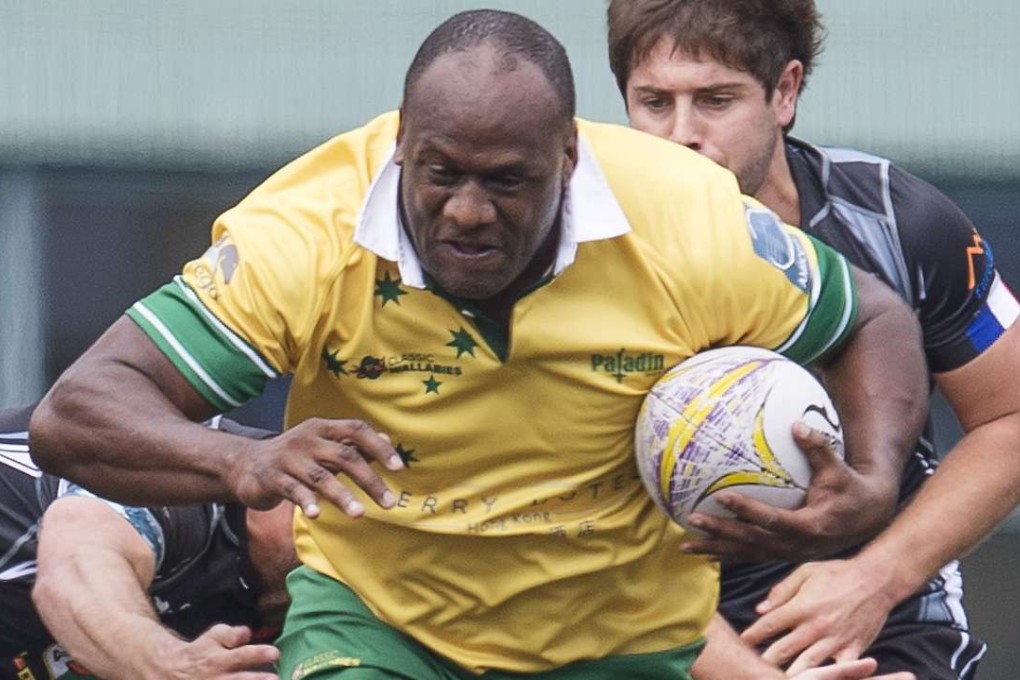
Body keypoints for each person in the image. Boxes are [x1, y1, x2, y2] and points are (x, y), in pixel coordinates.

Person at [29, 9, 927, 680]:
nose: (467, 212)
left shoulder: (685, 217)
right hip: (378, 630)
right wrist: (237, 464)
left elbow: (872, 319)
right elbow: (78, 415)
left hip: (623, 637)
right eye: (441, 174)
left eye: (507, 183)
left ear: (569, 160)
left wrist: (877, 480)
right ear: (400, 149)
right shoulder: (304, 234)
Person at [606, 0, 1020, 677]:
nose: (681, 136)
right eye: (654, 102)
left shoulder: (895, 221)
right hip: (656, 634)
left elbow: (1011, 416)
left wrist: (875, 579)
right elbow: (572, 530)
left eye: (715, 100)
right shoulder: (577, 262)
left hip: (878, 628)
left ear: (786, 91)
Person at [0, 404, 296, 680]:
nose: (338, 565)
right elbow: (75, 568)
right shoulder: (188, 473)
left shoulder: (289, 607)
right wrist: (163, 663)